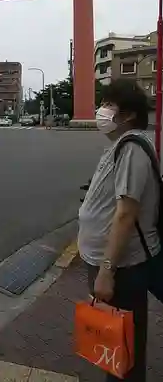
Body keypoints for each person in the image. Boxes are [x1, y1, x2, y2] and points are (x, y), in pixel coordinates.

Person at [78, 78, 161, 382]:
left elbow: (126, 213)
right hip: (111, 263)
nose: (102, 111)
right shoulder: (120, 145)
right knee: (114, 344)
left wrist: (106, 270)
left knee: (123, 348)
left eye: (108, 105)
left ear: (126, 115)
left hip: (122, 266)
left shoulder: (132, 148)